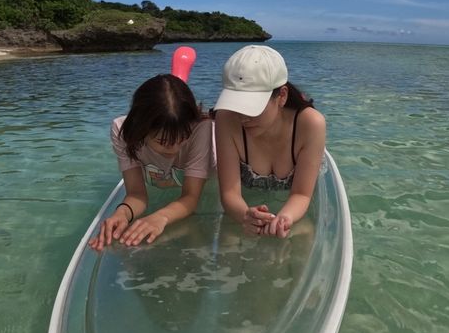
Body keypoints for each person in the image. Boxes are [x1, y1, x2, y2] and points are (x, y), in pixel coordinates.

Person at [87, 74, 213, 250]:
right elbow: (137, 194)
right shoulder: (123, 132)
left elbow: (191, 197)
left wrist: (161, 216)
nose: (175, 149)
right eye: (163, 142)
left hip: (211, 183)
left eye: (183, 138)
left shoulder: (200, 127)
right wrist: (122, 213)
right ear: (141, 130)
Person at [212, 46, 326, 239]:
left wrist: (284, 218)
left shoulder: (311, 124)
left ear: (282, 96)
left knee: (305, 234)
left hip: (298, 209)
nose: (242, 117)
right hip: (244, 211)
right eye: (236, 104)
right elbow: (230, 193)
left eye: (251, 107)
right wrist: (246, 216)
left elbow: (302, 194)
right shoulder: (226, 118)